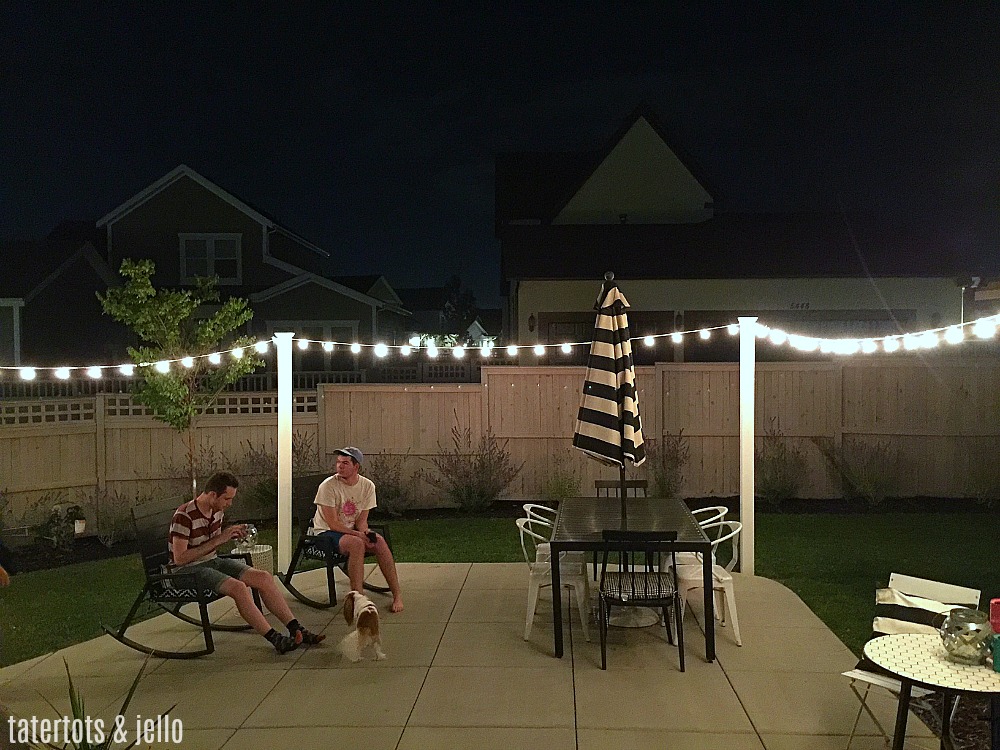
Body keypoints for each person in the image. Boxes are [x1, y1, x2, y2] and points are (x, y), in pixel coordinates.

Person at [170, 471, 325, 654]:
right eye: (227, 499)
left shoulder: (216, 511)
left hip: (211, 561)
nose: (230, 503)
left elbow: (210, 545)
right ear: (213, 495)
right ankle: (276, 639)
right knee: (238, 588)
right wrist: (220, 540)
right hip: (187, 571)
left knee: (264, 578)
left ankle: (296, 629)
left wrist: (233, 535)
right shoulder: (184, 515)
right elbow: (179, 558)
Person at [313, 447, 403, 613]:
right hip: (325, 533)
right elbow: (332, 523)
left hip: (350, 530)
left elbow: (361, 520)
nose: (340, 466)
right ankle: (358, 599)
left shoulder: (367, 486)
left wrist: (366, 532)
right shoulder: (328, 486)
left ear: (356, 467)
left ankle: (397, 594)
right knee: (356, 543)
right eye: (338, 462)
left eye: (345, 463)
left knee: (379, 541)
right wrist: (357, 534)